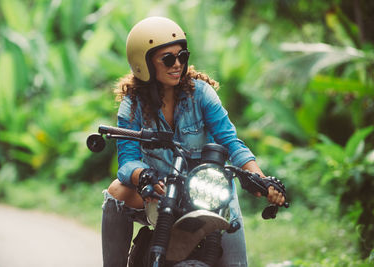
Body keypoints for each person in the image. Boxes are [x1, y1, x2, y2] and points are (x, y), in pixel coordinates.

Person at [101, 16, 285, 267]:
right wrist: (144, 175)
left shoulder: (201, 93)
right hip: (161, 190)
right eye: (168, 59)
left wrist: (261, 180)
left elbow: (231, 142)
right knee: (115, 193)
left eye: (182, 56)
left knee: (236, 264)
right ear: (143, 63)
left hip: (208, 190)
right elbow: (127, 162)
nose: (177, 64)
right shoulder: (132, 106)